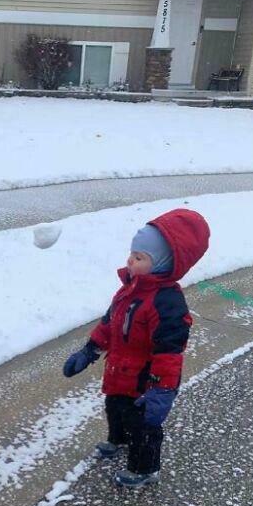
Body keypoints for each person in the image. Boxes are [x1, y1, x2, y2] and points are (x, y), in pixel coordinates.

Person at [63, 208, 210, 488]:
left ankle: (145, 468)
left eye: (140, 257)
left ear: (163, 264)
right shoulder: (129, 290)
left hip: (145, 382)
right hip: (119, 371)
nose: (130, 260)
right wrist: (89, 350)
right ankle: (117, 439)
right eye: (132, 253)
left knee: (143, 426)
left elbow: (169, 353)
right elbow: (109, 323)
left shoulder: (167, 303)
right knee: (114, 408)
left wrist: (162, 391)